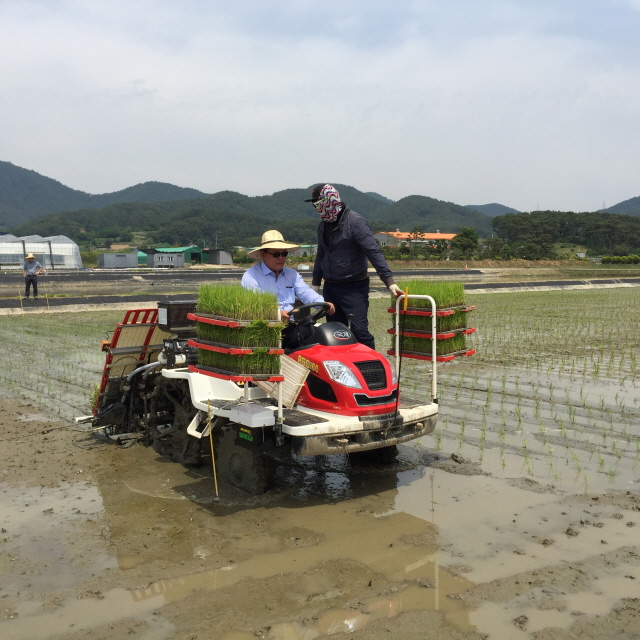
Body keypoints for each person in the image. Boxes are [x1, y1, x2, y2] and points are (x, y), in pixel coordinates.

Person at [306, 184, 402, 349]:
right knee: (335, 331)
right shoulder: (322, 226)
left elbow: (373, 252)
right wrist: (315, 285)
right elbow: (321, 255)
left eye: (319, 203)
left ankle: (371, 366)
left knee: (359, 330)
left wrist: (390, 282)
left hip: (354, 287)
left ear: (330, 200)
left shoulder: (355, 222)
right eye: (314, 204)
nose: (317, 208)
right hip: (330, 287)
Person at [242, 230, 335, 348]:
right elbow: (256, 304)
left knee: (323, 336)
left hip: (289, 327)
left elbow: (305, 292)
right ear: (263, 254)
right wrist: (277, 313)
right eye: (276, 254)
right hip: (264, 328)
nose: (281, 258)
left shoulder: (292, 274)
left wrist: (322, 303)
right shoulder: (251, 276)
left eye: (284, 254)